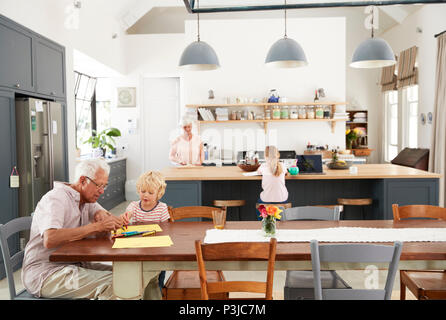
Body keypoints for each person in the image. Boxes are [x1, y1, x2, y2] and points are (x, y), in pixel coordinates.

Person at [21, 158, 128, 299]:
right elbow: (50, 239)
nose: (102, 191)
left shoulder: (87, 200)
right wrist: (95, 227)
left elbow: (105, 219)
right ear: (83, 180)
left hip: (75, 265)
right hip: (46, 274)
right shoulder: (55, 199)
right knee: (117, 284)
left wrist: (109, 219)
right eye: (99, 185)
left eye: (105, 186)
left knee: (131, 276)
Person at [122, 170, 169, 294]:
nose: (145, 195)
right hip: (140, 249)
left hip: (157, 250)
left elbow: (167, 229)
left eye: (150, 192)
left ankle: (157, 294)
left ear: (159, 194)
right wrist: (127, 216)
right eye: (143, 191)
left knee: (158, 278)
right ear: (138, 190)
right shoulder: (134, 206)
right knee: (140, 277)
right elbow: (129, 212)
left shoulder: (162, 208)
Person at [256, 146, 289, 220]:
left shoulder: (263, 166)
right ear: (278, 155)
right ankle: (279, 220)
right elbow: (286, 172)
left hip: (266, 200)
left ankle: (264, 221)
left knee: (259, 204)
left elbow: (258, 172)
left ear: (265, 156)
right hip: (282, 200)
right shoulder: (283, 166)